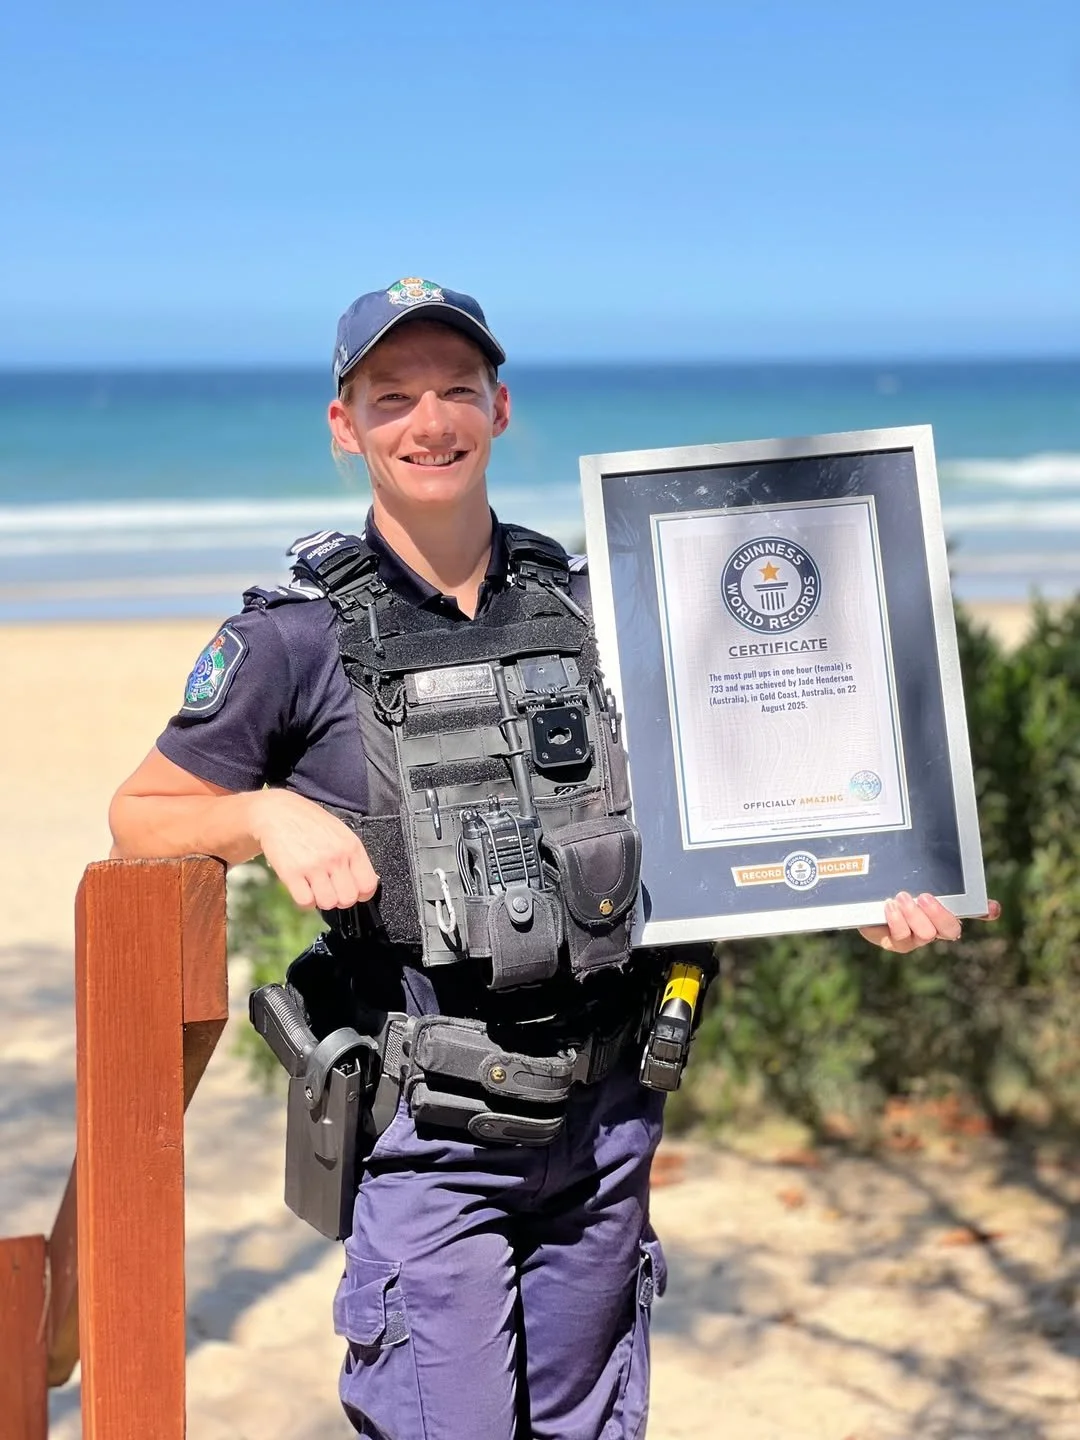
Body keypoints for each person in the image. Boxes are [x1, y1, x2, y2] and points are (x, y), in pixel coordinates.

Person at [109, 278, 990, 1440]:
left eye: (457, 390)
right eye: (393, 397)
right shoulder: (291, 639)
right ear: (345, 425)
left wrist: (857, 885)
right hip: (432, 1135)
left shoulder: (602, 608)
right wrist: (263, 813)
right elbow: (142, 816)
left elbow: (734, 788)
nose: (431, 421)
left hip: (611, 1118)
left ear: (501, 408)